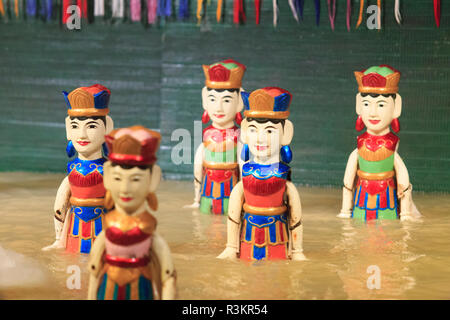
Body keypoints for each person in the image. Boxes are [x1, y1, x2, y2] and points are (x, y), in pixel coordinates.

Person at [87, 125, 176, 300]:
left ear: (152, 180)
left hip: (141, 288)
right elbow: (93, 272)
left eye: (135, 179)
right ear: (107, 178)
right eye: (118, 178)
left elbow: (168, 277)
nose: (125, 189)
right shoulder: (106, 231)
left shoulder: (150, 234)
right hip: (108, 288)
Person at [217, 87, 306, 261]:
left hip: (278, 242)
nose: (260, 138)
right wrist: (231, 247)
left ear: (286, 133)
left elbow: (295, 218)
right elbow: (233, 215)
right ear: (244, 131)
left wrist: (297, 252)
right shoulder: (244, 180)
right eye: (253, 129)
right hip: (247, 241)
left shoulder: (285, 181)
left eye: (269, 131)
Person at [338, 65, 421, 221]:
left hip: (387, 204)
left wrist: (405, 213)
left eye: (381, 105)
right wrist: (345, 210)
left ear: (396, 107)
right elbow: (348, 181)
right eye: (367, 104)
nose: (373, 112)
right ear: (358, 105)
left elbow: (403, 181)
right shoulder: (359, 146)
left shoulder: (392, 146)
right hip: (360, 205)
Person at [42, 84, 114, 254]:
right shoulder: (72, 170)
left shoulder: (110, 171)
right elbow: (60, 205)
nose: (81, 135)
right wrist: (59, 239)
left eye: (91, 126)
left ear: (107, 128)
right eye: (75, 126)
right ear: (68, 128)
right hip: (72, 231)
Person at [185, 59, 246, 215]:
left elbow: (242, 167)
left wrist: (243, 200)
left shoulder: (239, 138)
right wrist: (196, 199)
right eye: (212, 99)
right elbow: (198, 168)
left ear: (239, 102)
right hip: (207, 193)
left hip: (231, 192)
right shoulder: (207, 136)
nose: (218, 108)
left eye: (226, 100)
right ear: (205, 99)